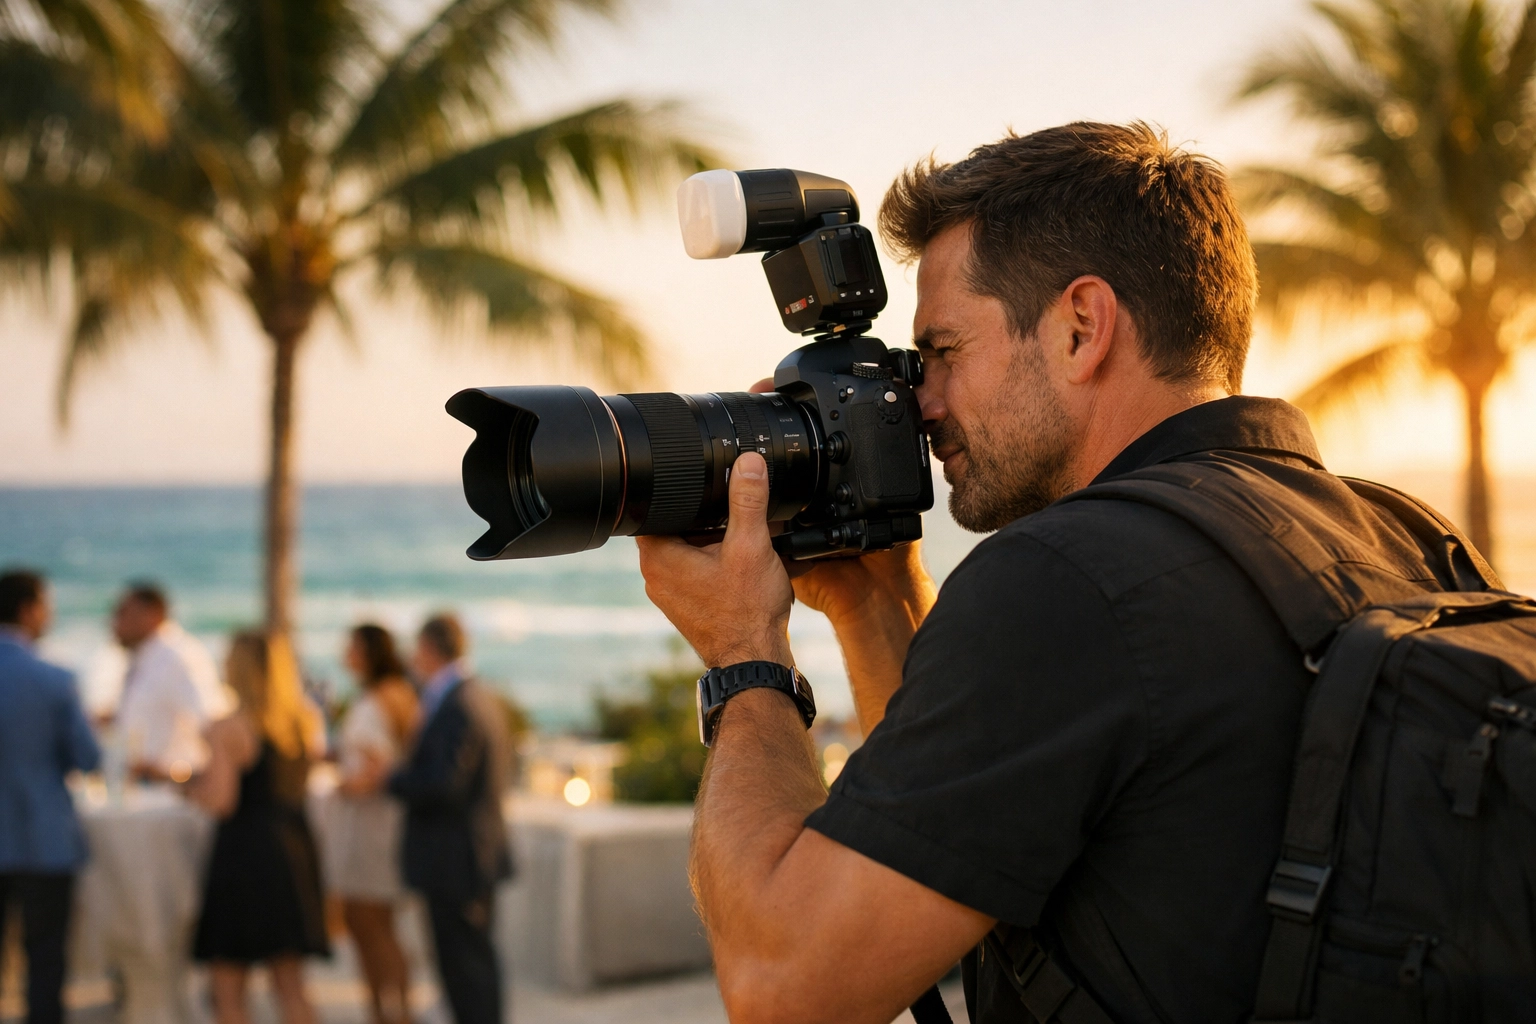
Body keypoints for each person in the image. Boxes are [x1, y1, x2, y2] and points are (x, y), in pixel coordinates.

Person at [635, 122, 1469, 1024]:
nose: (920, 404)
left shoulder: (1069, 578)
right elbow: (966, 817)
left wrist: (743, 651)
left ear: (1082, 326)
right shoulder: (1406, 537)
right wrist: (876, 603)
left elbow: (783, 985)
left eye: (944, 353)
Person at [188, 631, 328, 1024]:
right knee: (291, 987)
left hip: (244, 857)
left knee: (229, 988)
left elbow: (221, 800)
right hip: (293, 854)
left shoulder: (229, 727)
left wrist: (187, 786)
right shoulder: (304, 720)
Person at [389, 614, 512, 1024]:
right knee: (470, 965)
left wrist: (388, 778)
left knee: (466, 971)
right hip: (465, 857)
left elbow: (443, 785)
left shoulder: (458, 702)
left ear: (428, 648)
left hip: (456, 862)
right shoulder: (477, 695)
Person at [0, 569, 102, 1024]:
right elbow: (87, 757)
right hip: (44, 838)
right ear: (28, 610)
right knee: (45, 962)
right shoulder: (53, 679)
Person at [330, 624, 420, 1024]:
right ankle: (395, 1010)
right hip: (391, 824)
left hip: (373, 827)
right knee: (379, 925)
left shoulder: (374, 702)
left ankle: (389, 1014)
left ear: (366, 652)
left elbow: (380, 768)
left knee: (369, 925)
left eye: (350, 646)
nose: (344, 653)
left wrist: (348, 786)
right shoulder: (401, 694)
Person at [110, 581, 228, 782]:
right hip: (145, 786)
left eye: (122, 613)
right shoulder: (146, 657)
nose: (114, 622)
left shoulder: (177, 658)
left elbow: (211, 721)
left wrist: (175, 773)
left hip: (168, 792)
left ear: (151, 616)